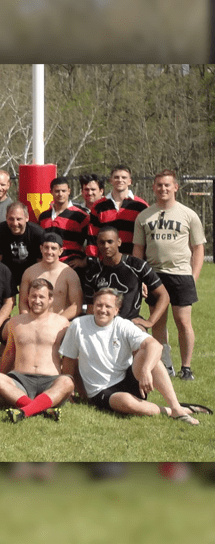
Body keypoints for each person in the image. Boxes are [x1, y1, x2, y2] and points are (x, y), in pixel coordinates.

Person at [59, 288, 205, 426]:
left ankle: (175, 406)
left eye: (108, 306)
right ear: (93, 306)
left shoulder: (123, 325)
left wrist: (146, 370)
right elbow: (69, 360)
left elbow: (155, 345)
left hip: (128, 378)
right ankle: (174, 411)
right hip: (100, 390)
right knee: (127, 402)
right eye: (99, 305)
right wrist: (68, 389)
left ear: (116, 310)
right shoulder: (78, 326)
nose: (102, 310)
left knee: (147, 353)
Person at [133, 169, 206, 381]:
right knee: (157, 322)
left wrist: (194, 275)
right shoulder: (145, 216)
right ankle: (165, 364)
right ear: (154, 187)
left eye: (167, 185)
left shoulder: (188, 214)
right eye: (159, 185)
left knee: (183, 322)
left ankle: (186, 367)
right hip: (154, 274)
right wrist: (140, 278)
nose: (163, 189)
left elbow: (198, 248)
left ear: (176, 187)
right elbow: (138, 249)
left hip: (181, 274)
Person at [0, 278, 73, 422]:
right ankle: (43, 408)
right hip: (21, 380)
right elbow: (9, 352)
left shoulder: (62, 323)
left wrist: (70, 386)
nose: (37, 300)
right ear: (27, 297)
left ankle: (24, 411)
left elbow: (69, 356)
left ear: (50, 299)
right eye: (33, 296)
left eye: (42, 297)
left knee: (67, 382)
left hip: (51, 381)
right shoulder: (15, 322)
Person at [82, 227, 169, 330]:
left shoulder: (137, 265)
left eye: (110, 242)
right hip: (104, 326)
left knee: (143, 339)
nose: (106, 246)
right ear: (97, 244)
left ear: (119, 242)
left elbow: (164, 295)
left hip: (131, 323)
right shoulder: (93, 272)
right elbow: (90, 309)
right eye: (102, 242)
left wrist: (150, 322)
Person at [88, 164, 149, 257]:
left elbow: (147, 238)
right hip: (105, 262)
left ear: (130, 181)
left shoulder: (141, 206)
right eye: (116, 177)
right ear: (111, 180)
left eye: (124, 177)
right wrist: (93, 260)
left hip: (132, 262)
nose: (120, 180)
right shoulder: (98, 206)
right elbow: (92, 236)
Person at [18, 234, 81, 320]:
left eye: (53, 248)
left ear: (60, 251)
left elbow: (76, 306)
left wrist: (55, 323)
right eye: (46, 247)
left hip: (58, 324)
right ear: (41, 248)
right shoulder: (29, 272)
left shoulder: (69, 274)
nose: (49, 252)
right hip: (33, 322)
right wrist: (29, 320)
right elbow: (23, 303)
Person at [0, 202, 45, 294]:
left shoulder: (37, 233)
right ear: (6, 218)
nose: (15, 223)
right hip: (7, 272)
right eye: (11, 219)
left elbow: (40, 262)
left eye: (19, 219)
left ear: (27, 218)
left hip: (31, 271)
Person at [37, 176, 90, 266]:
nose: (60, 194)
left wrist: (84, 261)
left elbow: (92, 242)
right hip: (47, 264)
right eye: (57, 191)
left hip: (70, 265)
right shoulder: (43, 217)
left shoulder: (81, 216)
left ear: (69, 191)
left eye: (63, 191)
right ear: (51, 192)